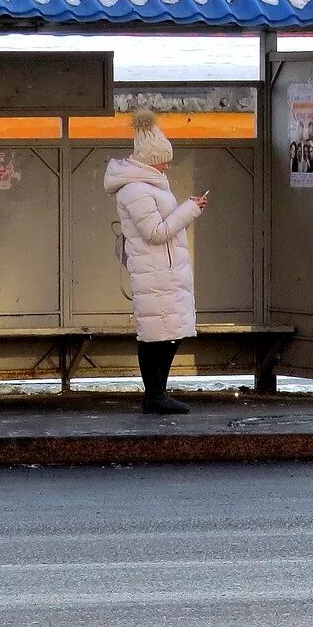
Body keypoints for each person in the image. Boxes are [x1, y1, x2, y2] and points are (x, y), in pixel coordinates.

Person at [105, 110, 207, 414]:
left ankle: (158, 392)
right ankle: (155, 394)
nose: (167, 164)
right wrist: (190, 210)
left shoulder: (151, 185)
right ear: (150, 159)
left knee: (170, 333)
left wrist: (188, 208)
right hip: (154, 272)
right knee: (155, 335)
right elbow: (155, 232)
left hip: (165, 270)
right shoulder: (137, 189)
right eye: (163, 158)